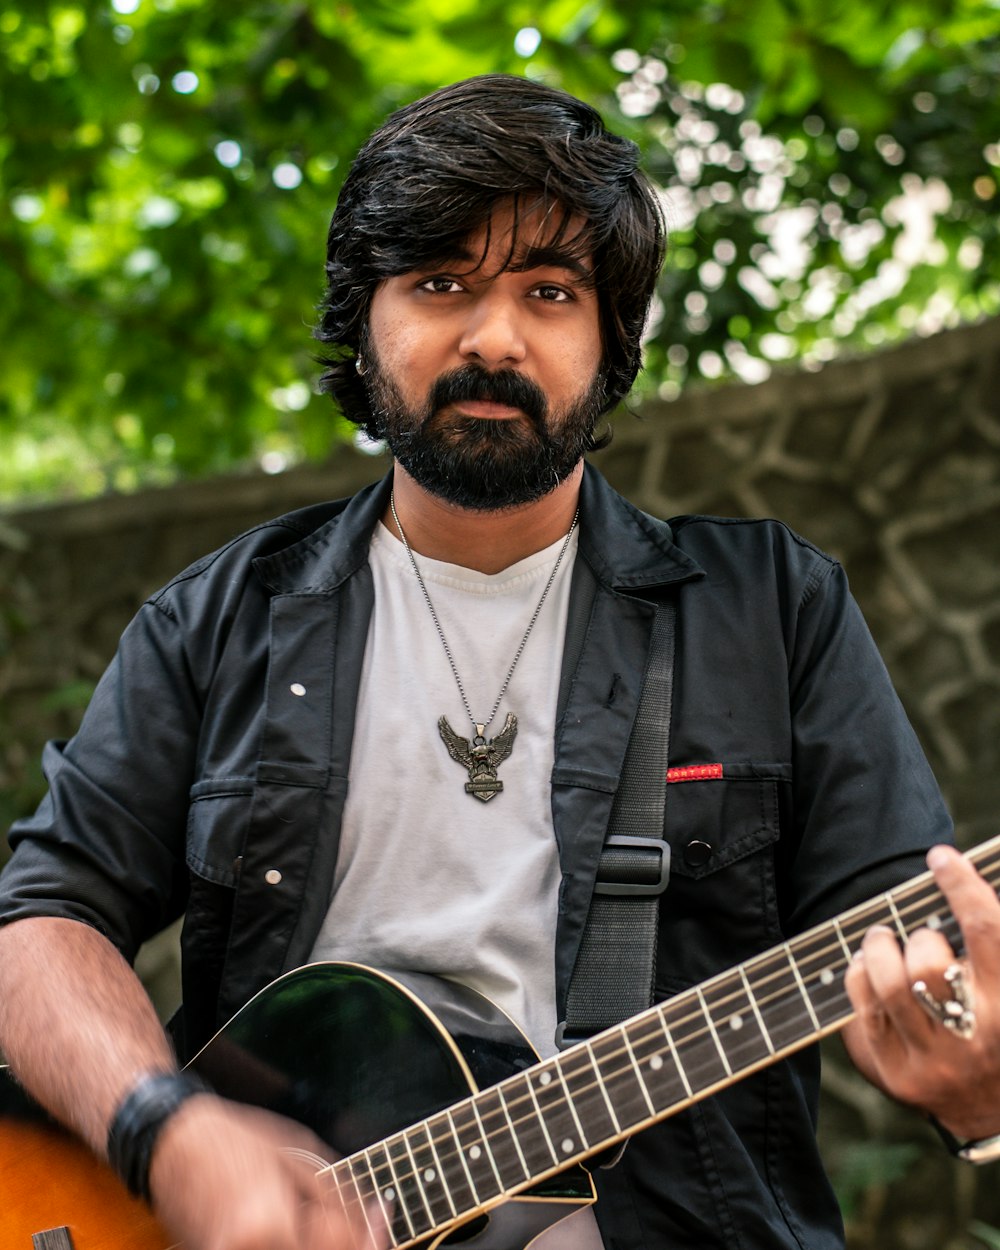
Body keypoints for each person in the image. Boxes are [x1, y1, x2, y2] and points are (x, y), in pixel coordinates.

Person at [1, 72, 999, 1250]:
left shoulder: (772, 611)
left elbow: (928, 958)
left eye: (549, 290)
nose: (493, 335)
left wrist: (979, 1092)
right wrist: (170, 1130)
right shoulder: (219, 622)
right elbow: (39, 921)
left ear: (608, 335)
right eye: (439, 283)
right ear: (365, 320)